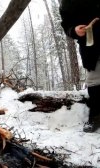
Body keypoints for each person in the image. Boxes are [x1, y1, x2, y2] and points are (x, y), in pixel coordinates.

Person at [60, 0, 100, 132]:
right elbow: (67, 25)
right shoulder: (67, 3)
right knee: (95, 80)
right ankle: (96, 116)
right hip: (91, 46)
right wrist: (74, 30)